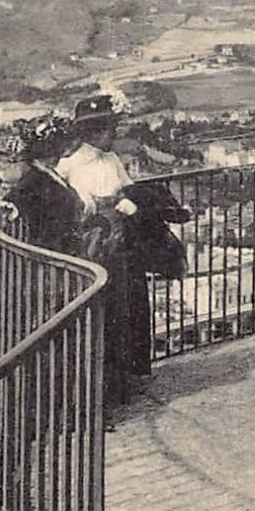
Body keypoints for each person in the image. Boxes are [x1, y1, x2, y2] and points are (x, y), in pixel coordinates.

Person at [57, 93, 151, 403]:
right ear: (94, 131)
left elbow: (127, 190)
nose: (114, 134)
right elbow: (69, 210)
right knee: (98, 318)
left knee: (122, 315)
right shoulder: (69, 165)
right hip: (91, 249)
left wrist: (125, 204)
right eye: (109, 129)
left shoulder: (112, 160)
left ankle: (121, 384)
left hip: (118, 247)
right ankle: (96, 393)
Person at [0, 115, 82, 254]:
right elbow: (11, 204)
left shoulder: (49, 174)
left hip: (63, 251)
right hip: (49, 255)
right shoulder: (34, 180)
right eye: (63, 143)